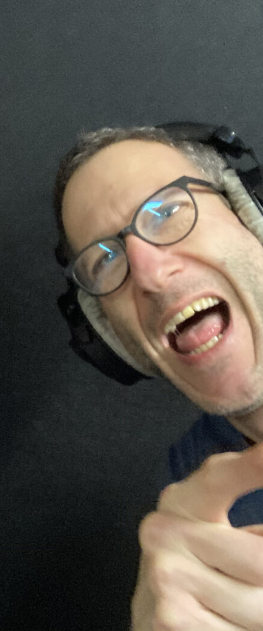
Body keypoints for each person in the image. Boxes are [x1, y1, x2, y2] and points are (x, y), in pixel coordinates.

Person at [54, 126, 263, 630]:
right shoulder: (195, 487)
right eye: (105, 261)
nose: (147, 274)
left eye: (167, 212)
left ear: (251, 216)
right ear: (111, 335)